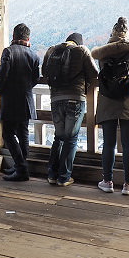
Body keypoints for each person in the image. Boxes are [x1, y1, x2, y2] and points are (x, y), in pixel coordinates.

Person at [91, 16, 129, 195]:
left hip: (107, 101)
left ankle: (107, 182)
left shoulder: (102, 52)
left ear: (112, 32)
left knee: (108, 143)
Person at [43, 33, 99, 187]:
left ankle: (52, 175)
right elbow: (94, 73)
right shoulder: (82, 51)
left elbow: (44, 72)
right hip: (75, 99)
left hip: (55, 99)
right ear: (78, 42)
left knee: (59, 137)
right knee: (71, 138)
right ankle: (64, 177)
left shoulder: (52, 50)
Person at [0, 23, 40, 181]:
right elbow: (35, 78)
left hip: (11, 100)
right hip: (26, 100)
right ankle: (20, 166)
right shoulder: (33, 55)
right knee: (23, 134)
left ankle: (21, 168)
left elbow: (2, 75)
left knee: (8, 134)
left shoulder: (9, 51)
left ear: (14, 36)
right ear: (28, 37)